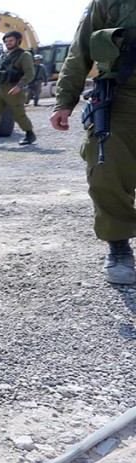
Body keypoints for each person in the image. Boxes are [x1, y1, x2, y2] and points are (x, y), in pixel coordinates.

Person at [51, 0, 136, 285]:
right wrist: (64, 100)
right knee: (105, 163)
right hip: (122, 92)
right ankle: (119, 245)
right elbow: (81, 50)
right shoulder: (108, 3)